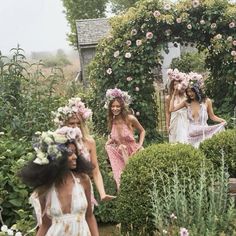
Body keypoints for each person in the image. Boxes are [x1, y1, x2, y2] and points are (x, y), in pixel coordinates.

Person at [19, 129, 99, 236]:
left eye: (75, 152)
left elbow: (89, 216)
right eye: (70, 153)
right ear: (58, 157)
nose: (75, 157)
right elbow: (45, 224)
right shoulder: (45, 187)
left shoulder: (83, 180)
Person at [52, 98, 115, 202]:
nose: (76, 127)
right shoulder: (60, 142)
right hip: (64, 187)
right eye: (72, 123)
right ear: (65, 124)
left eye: (79, 123)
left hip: (84, 187)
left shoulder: (89, 142)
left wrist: (102, 193)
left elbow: (95, 170)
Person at [169, 72, 226, 148]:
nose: (189, 94)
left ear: (197, 90)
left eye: (192, 91)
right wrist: (174, 94)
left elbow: (212, 116)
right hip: (191, 135)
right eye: (188, 91)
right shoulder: (186, 102)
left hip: (204, 133)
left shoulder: (207, 101)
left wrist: (221, 120)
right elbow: (171, 109)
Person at [104, 88, 145, 189]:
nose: (115, 108)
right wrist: (108, 142)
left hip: (133, 152)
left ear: (122, 107)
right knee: (120, 181)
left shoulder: (129, 118)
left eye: (117, 106)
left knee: (136, 181)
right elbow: (115, 137)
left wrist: (139, 145)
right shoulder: (112, 121)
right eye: (113, 106)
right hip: (120, 154)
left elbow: (142, 131)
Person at [165, 69, 189, 143]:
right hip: (174, 120)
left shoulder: (186, 96)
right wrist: (167, 125)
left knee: (185, 139)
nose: (176, 86)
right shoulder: (169, 98)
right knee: (174, 140)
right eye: (174, 84)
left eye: (178, 84)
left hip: (185, 120)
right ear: (172, 86)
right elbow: (168, 112)